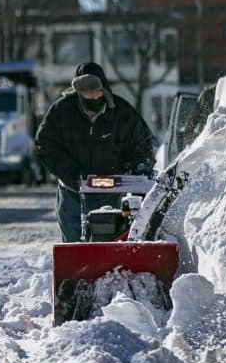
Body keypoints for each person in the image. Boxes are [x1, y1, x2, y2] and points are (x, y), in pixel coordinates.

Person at [35, 62, 155, 242]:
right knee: (73, 244)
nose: (93, 96)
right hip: (72, 192)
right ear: (78, 92)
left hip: (110, 190)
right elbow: (44, 145)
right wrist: (72, 174)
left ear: (104, 90)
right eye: (87, 92)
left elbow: (142, 142)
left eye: (97, 91)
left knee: (109, 238)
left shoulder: (122, 113)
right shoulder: (61, 112)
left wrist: (134, 168)